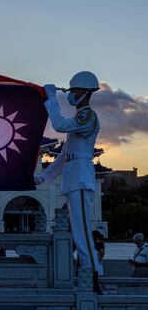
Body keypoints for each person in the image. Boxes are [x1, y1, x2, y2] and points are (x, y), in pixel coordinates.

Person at [34, 71, 103, 294]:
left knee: (82, 232)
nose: (71, 95)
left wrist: (51, 98)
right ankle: (87, 274)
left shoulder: (87, 117)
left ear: (84, 93)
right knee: (77, 233)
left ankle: (93, 277)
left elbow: (59, 125)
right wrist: (43, 178)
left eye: (73, 91)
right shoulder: (78, 123)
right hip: (74, 179)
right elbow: (64, 157)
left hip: (81, 180)